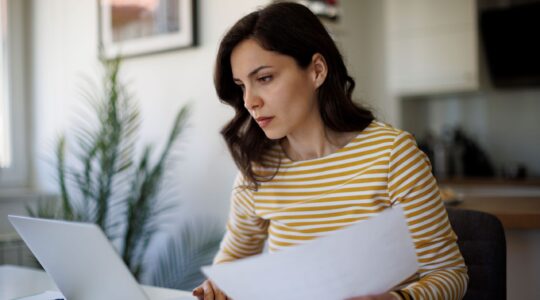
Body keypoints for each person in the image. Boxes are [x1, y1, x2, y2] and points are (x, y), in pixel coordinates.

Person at [193, 2, 468, 299]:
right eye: (241, 86)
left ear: (317, 71)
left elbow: (450, 273)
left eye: (264, 78)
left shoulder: (393, 156)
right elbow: (232, 264)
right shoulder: (257, 170)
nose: (250, 101)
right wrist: (215, 289)